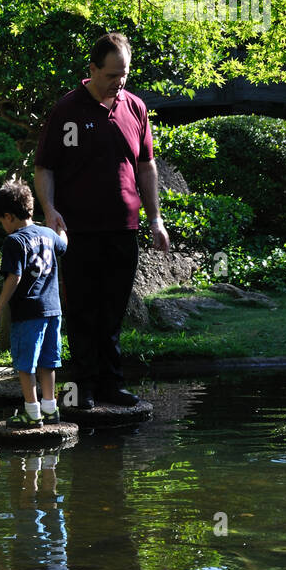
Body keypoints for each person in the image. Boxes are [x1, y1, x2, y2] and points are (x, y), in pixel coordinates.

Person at [34, 31, 170, 411]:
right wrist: (49, 211)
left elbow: (146, 166)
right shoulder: (68, 110)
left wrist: (155, 218)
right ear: (92, 69)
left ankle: (112, 383)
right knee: (82, 310)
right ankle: (84, 386)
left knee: (112, 310)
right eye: (112, 75)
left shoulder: (136, 108)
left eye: (124, 73)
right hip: (77, 230)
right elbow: (44, 166)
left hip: (123, 227)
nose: (119, 82)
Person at [0, 179, 67, 428]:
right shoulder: (47, 234)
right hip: (53, 310)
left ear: (9, 216)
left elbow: (15, 276)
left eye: (1, 221)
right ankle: (50, 410)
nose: (3, 226)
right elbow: (64, 245)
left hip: (28, 312)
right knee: (48, 361)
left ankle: (32, 414)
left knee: (25, 364)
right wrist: (60, 226)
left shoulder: (14, 241)